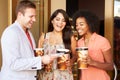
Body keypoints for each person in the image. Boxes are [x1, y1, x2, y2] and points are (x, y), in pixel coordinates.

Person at [0, 1, 57, 80]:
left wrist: (42, 62)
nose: (34, 20)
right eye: (31, 16)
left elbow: (29, 58)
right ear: (20, 15)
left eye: (35, 16)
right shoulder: (11, 33)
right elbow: (13, 64)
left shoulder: (29, 33)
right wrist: (41, 60)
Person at [72, 10, 113, 80]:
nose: (78, 27)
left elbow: (110, 66)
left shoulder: (102, 41)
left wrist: (93, 62)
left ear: (89, 24)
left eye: (81, 24)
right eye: (76, 25)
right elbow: (75, 59)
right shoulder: (79, 42)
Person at [37, 9, 77, 80]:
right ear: (52, 21)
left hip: (64, 76)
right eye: (57, 19)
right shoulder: (44, 37)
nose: (60, 23)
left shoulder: (70, 38)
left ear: (65, 23)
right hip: (46, 75)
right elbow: (38, 57)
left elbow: (75, 55)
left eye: (63, 20)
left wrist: (71, 61)